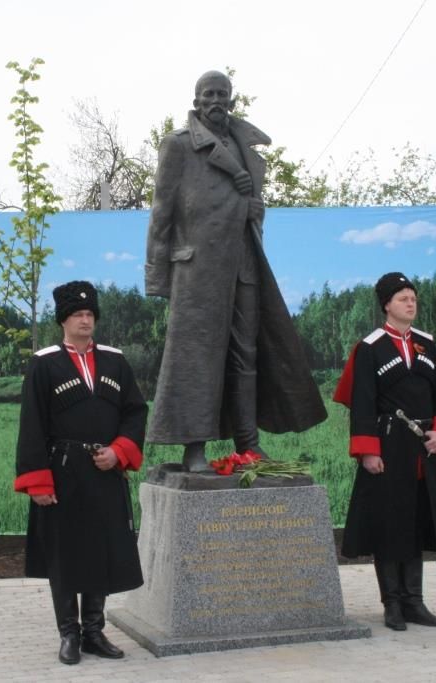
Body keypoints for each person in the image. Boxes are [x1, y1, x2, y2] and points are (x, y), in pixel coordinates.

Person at [144, 70, 325, 471]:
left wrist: (254, 211)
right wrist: (158, 276)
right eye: (208, 94)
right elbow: (162, 212)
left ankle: (248, 444)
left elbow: (245, 206)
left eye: (222, 94)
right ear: (196, 100)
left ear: (231, 99)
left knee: (247, 354)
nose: (216, 101)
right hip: (199, 269)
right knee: (197, 356)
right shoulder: (178, 145)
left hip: (243, 262)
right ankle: (194, 449)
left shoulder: (242, 143)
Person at [13, 280, 147, 665]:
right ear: (63, 320)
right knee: (65, 555)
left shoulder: (115, 361)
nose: (85, 321)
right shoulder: (44, 364)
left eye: (89, 314)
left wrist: (119, 452)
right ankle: (69, 634)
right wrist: (37, 481)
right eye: (77, 315)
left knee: (99, 551)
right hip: (63, 474)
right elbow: (32, 425)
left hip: (105, 471)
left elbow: (135, 412)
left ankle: (94, 632)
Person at [333, 272, 436, 631]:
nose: (410, 303)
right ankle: (392, 604)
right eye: (403, 298)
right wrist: (367, 452)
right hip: (387, 448)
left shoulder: (427, 345)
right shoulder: (370, 348)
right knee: (389, 525)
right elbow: (362, 404)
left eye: (413, 297)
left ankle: (414, 602)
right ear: (387, 304)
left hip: (421, 450)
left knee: (415, 521)